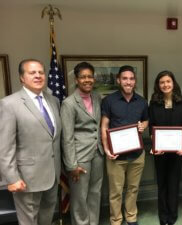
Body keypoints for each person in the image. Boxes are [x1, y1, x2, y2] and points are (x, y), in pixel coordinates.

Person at [0, 59, 61, 225]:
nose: (38, 76)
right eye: (32, 72)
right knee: (28, 221)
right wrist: (11, 178)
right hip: (26, 178)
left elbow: (52, 137)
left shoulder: (53, 101)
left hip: (52, 175)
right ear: (22, 77)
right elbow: (5, 147)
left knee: (47, 217)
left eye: (41, 72)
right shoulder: (9, 104)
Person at [101, 65, 149, 225]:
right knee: (115, 192)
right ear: (118, 80)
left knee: (133, 189)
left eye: (131, 78)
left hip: (137, 155)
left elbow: (146, 120)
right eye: (125, 78)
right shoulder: (109, 100)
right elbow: (104, 126)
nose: (128, 82)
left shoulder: (142, 101)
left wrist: (144, 125)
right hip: (116, 156)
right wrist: (107, 149)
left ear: (135, 81)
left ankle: (131, 217)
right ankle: (116, 220)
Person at [61, 62, 104, 225]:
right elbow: (67, 136)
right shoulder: (69, 103)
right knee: (80, 197)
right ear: (76, 79)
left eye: (90, 76)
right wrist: (71, 165)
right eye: (83, 77)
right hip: (79, 158)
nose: (87, 80)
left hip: (98, 153)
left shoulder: (97, 97)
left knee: (95, 193)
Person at [149, 71, 182, 225]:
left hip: (177, 151)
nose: (165, 85)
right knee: (162, 183)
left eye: (168, 81)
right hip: (160, 151)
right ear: (158, 85)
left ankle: (172, 215)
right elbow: (152, 126)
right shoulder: (153, 103)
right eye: (162, 82)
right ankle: (163, 215)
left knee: (174, 183)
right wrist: (154, 145)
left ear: (173, 83)